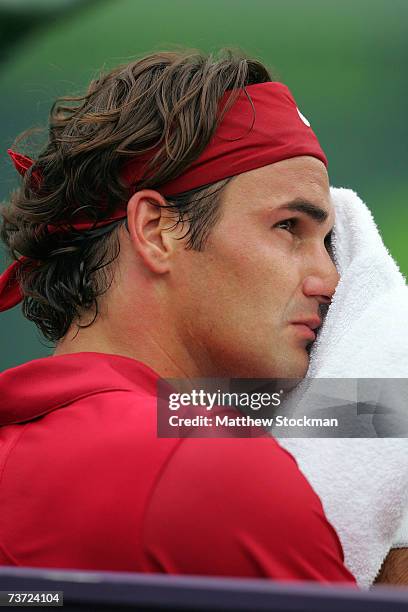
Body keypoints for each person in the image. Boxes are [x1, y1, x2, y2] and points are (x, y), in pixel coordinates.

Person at [0, 48, 355, 582]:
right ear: (155, 230)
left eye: (328, 243)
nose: (329, 281)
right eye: (288, 227)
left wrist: (383, 412)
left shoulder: (34, 431)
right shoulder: (214, 468)